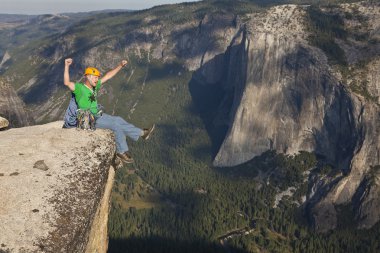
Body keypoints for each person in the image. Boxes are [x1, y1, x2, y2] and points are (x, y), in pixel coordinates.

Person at [63, 58, 155, 164]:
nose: (96, 79)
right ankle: (121, 152)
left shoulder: (94, 87)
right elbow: (67, 83)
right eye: (94, 77)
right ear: (87, 77)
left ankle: (142, 133)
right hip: (85, 118)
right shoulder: (79, 88)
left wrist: (120, 65)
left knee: (118, 120)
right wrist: (66, 66)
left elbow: (108, 76)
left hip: (95, 114)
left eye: (97, 78)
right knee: (115, 126)